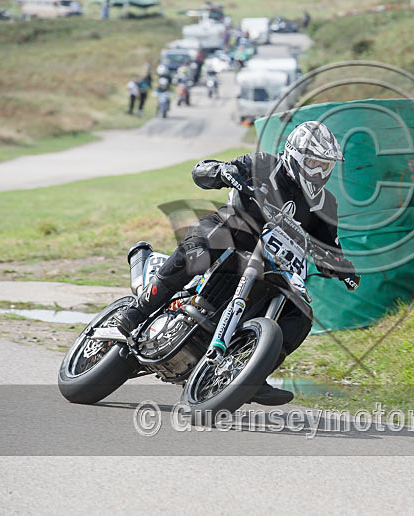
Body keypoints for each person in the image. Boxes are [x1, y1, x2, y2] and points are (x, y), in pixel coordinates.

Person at [113, 121, 360, 405]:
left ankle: (249, 375)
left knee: (301, 315)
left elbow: (329, 245)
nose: (318, 172)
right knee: (204, 246)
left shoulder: (325, 204)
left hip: (275, 262)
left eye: (325, 166)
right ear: (295, 154)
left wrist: (340, 267)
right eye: (314, 162)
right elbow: (202, 170)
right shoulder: (265, 165)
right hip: (232, 232)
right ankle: (138, 310)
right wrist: (222, 171)